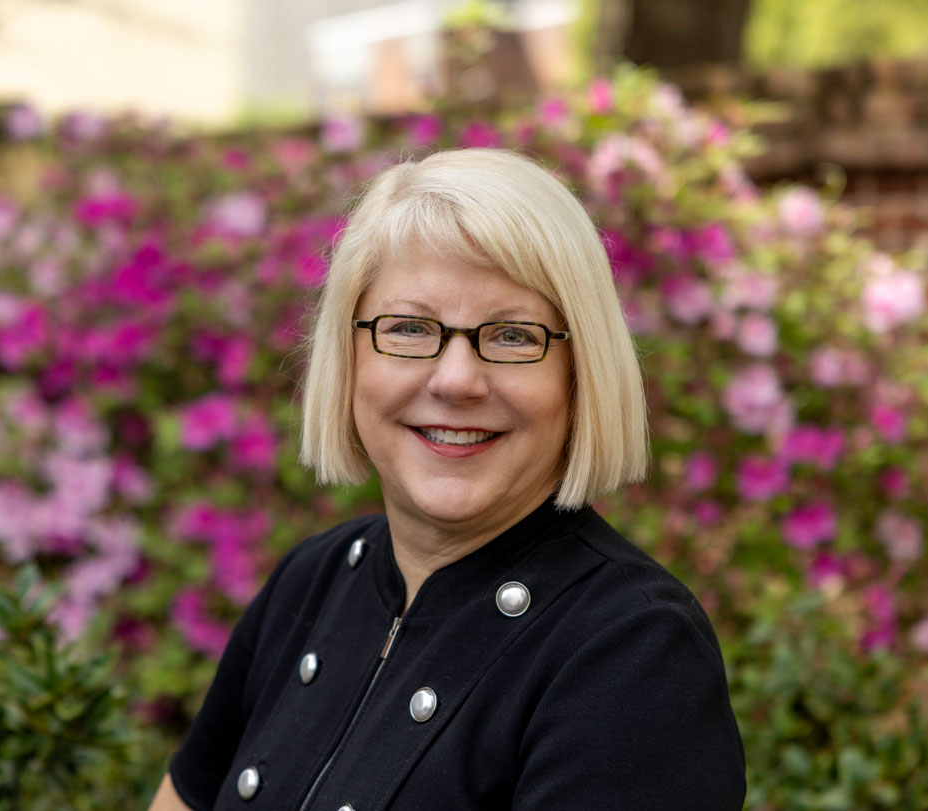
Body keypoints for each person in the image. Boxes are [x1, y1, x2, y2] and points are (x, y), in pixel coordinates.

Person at [148, 149, 746, 810]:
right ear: (350, 359)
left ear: (580, 375)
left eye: (514, 336)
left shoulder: (633, 655)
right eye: (408, 328)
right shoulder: (311, 582)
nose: (456, 379)